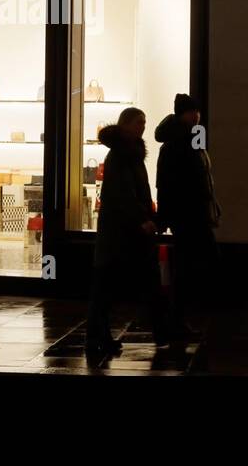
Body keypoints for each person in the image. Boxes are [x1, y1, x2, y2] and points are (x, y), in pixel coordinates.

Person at [87, 107, 168, 358]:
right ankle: (99, 337)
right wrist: (142, 220)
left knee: (109, 288)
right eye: (139, 122)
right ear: (127, 125)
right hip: (122, 234)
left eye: (144, 122)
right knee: (111, 288)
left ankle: (101, 337)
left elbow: (131, 193)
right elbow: (124, 195)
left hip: (123, 233)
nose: (142, 126)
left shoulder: (127, 153)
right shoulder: (123, 155)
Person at [155, 94, 221, 334]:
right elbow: (168, 183)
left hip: (194, 213)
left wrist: (211, 204)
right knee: (190, 265)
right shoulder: (177, 143)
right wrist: (165, 215)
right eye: (192, 111)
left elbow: (202, 178)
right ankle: (177, 317)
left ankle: (178, 315)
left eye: (197, 111)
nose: (197, 115)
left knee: (191, 265)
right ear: (182, 114)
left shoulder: (190, 139)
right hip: (188, 215)